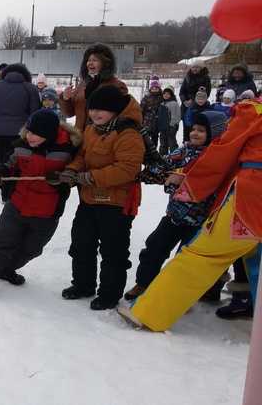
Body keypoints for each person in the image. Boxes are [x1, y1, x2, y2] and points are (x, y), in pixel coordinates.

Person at [117, 95, 262, 332]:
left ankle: (149, 312)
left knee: (203, 254)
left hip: (253, 196)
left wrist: (190, 183)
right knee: (256, 259)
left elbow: (221, 154)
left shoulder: (253, 112)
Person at [0, 108, 81, 296]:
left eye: (34, 133)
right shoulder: (21, 145)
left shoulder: (68, 149)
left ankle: (6, 269)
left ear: (48, 134)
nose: (29, 136)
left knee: (32, 249)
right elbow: (8, 165)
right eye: (28, 131)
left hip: (47, 212)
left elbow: (75, 174)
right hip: (17, 206)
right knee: (1, 243)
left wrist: (62, 179)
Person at [50, 85, 144, 310]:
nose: (93, 114)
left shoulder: (127, 133)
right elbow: (82, 155)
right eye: (92, 109)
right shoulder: (93, 129)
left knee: (113, 251)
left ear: (115, 110)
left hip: (116, 203)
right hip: (90, 199)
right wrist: (72, 170)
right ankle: (82, 284)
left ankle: (109, 294)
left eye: (100, 110)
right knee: (82, 243)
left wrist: (90, 178)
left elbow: (127, 168)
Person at [125, 111, 228, 301]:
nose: (195, 133)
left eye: (201, 130)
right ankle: (144, 283)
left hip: (202, 221)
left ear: (215, 134)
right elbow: (163, 166)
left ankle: (196, 293)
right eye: (193, 129)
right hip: (174, 215)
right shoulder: (184, 150)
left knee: (191, 259)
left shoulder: (219, 159)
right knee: (154, 248)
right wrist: (147, 173)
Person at [0, 63, 41, 202]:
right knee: (16, 160)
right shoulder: (30, 88)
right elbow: (35, 113)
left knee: (2, 157)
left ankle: (3, 185)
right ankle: (10, 191)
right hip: (20, 132)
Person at [59, 43, 128, 133]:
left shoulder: (117, 85)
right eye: (88, 60)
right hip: (79, 138)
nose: (90, 63)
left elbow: (121, 117)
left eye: (95, 60)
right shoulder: (83, 84)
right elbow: (68, 114)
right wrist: (65, 99)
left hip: (101, 138)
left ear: (105, 63)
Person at [178, 60, 211, 142]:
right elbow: (182, 91)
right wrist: (185, 101)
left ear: (201, 68)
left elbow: (207, 92)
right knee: (186, 129)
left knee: (199, 127)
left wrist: (197, 101)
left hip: (200, 105)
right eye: (193, 67)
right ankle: (186, 145)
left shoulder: (205, 78)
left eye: (197, 67)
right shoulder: (187, 78)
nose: (194, 69)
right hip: (186, 106)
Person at [139, 76, 163, 147]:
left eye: (156, 88)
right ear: (150, 89)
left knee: (155, 138)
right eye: (153, 88)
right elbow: (142, 108)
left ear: (159, 89)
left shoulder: (161, 98)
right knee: (145, 138)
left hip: (156, 121)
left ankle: (154, 152)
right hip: (147, 121)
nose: (154, 90)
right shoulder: (147, 98)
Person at [157, 85, 181, 156]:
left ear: (171, 95)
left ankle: (174, 156)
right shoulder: (162, 104)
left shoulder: (174, 104)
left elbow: (176, 116)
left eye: (168, 94)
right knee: (163, 143)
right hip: (163, 127)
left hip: (171, 127)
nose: (166, 95)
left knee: (172, 143)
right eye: (164, 93)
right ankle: (163, 157)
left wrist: (172, 125)